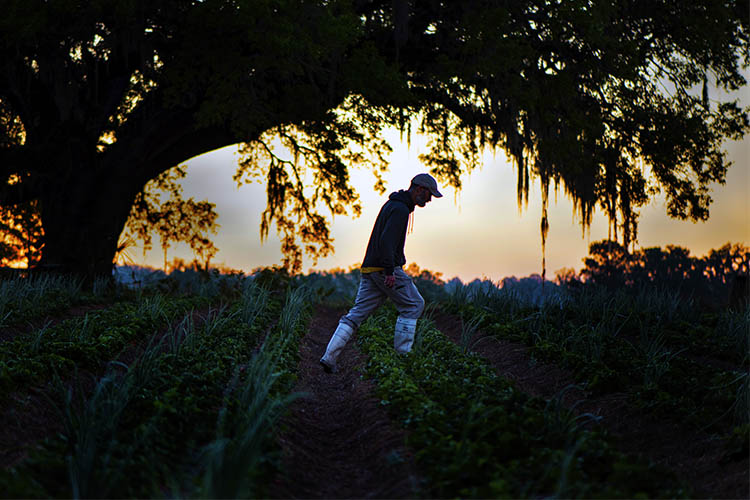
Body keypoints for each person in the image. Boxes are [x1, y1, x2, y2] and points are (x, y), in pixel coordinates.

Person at [320, 173, 442, 373]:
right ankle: (403, 358)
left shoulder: (393, 205)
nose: (429, 200)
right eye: (429, 195)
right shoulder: (400, 209)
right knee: (414, 304)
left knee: (357, 314)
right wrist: (389, 272)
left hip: (370, 268)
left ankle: (329, 358)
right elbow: (386, 241)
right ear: (419, 189)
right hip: (384, 268)